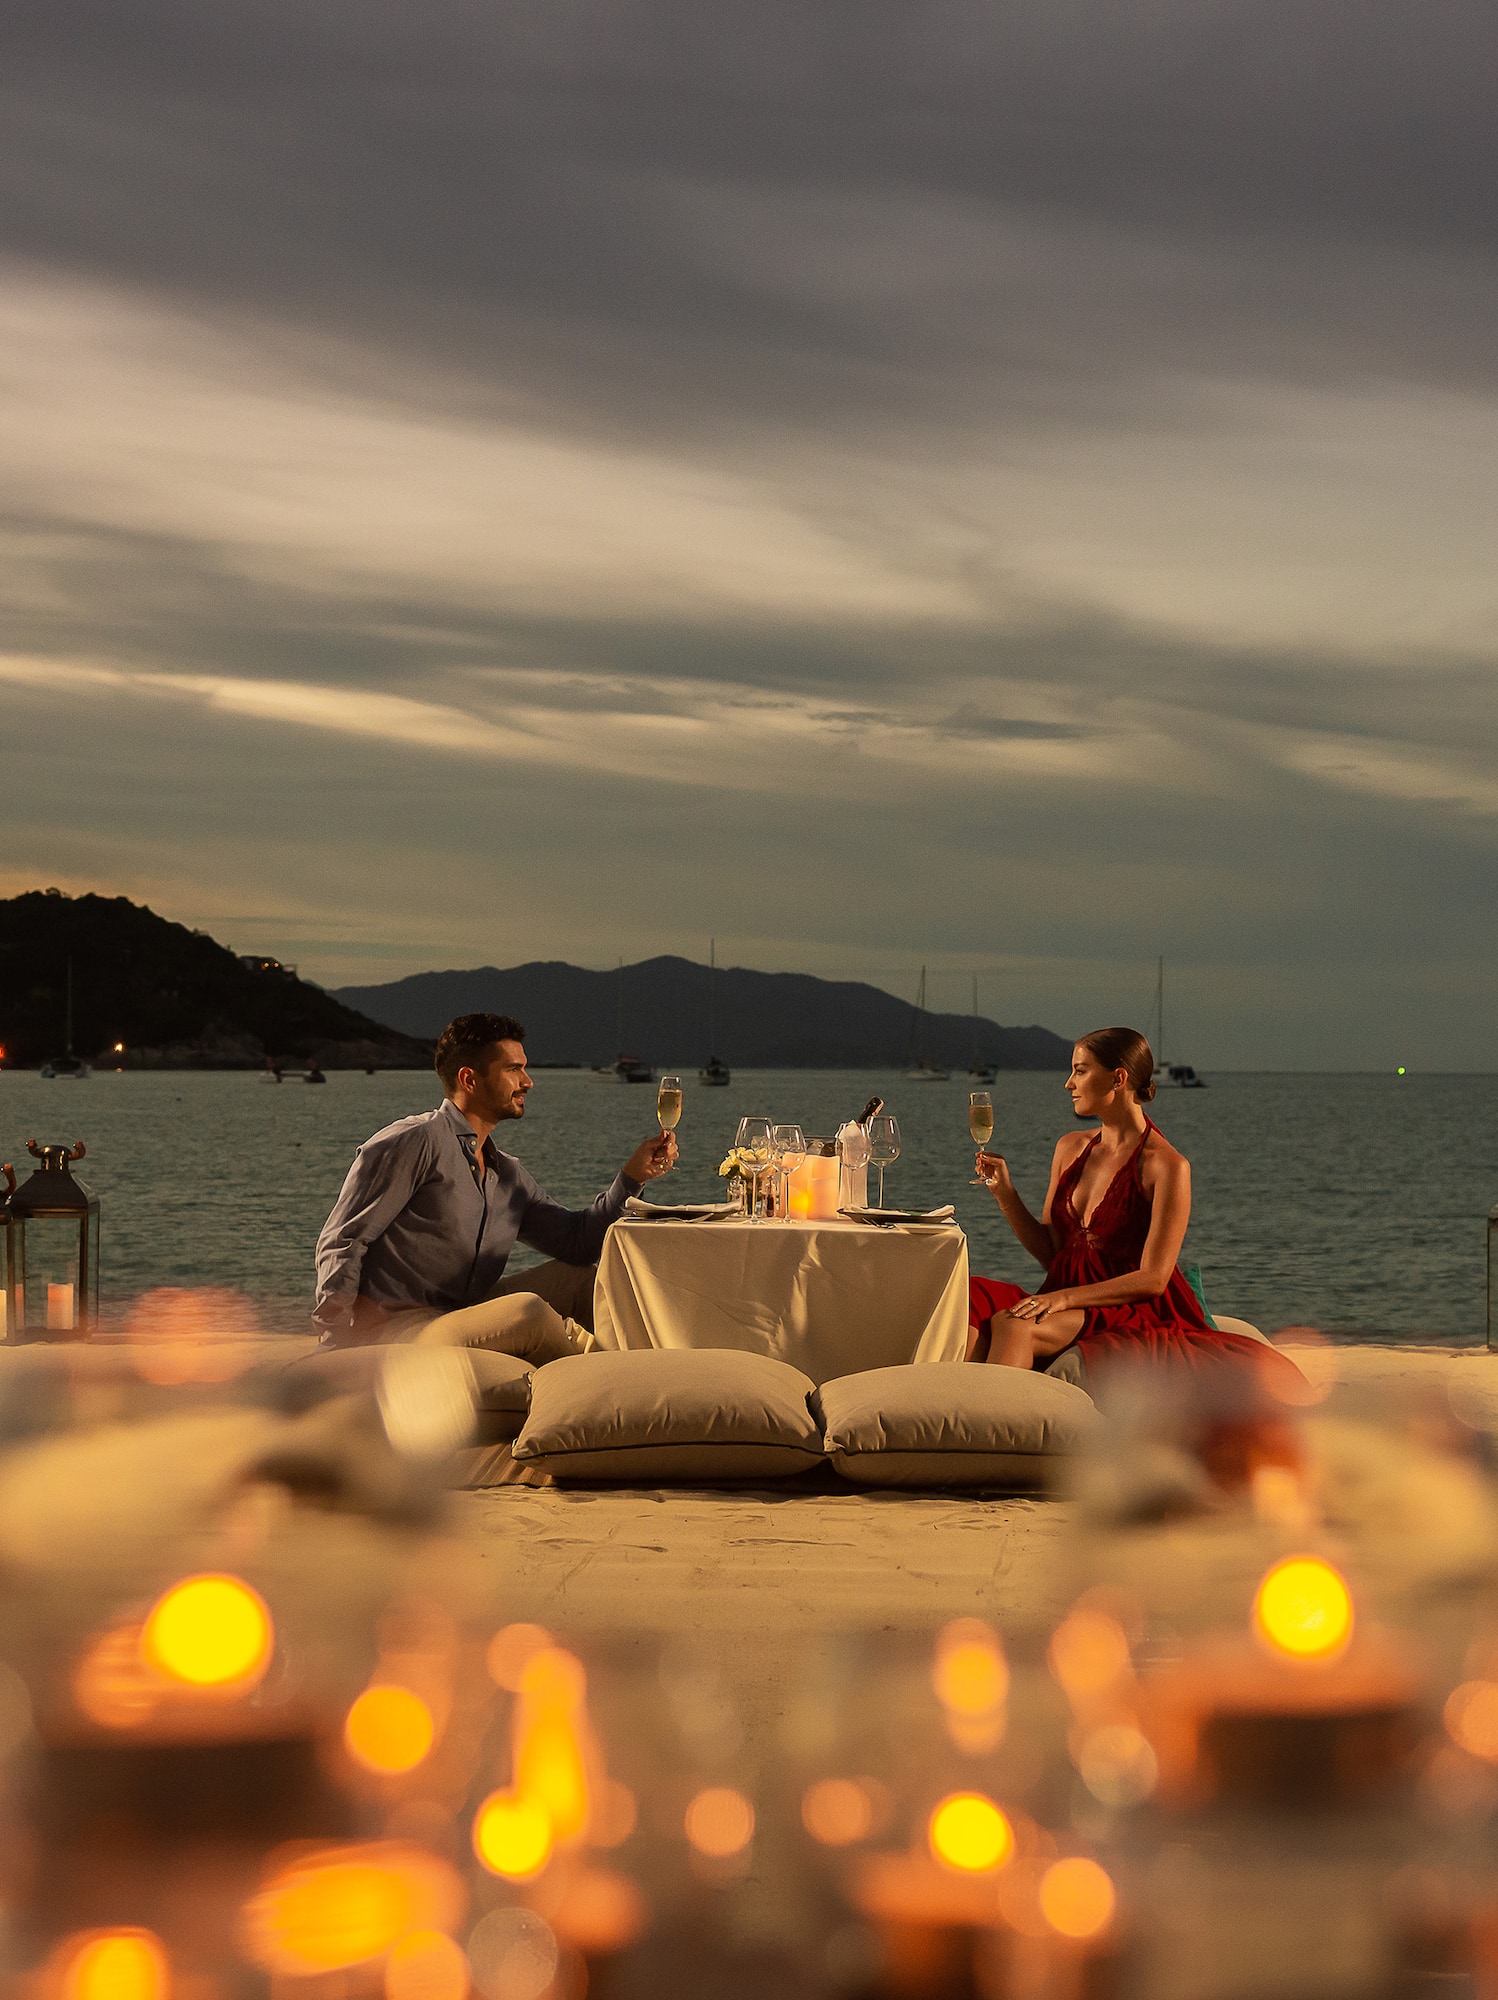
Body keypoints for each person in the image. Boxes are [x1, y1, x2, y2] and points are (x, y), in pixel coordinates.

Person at [967, 1027, 1305, 1404]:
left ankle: (992, 1426)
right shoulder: (1069, 1148)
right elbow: (1053, 1253)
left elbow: (1154, 1279)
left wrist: (1064, 1300)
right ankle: (943, 1415)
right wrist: (1006, 1195)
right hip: (1064, 1297)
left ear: (1119, 1077)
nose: (1068, 1084)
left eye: (1080, 1071)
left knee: (1014, 1324)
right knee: (969, 1296)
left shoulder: (1167, 1166)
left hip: (1129, 1308)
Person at [313, 1011, 676, 1359]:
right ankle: (604, 1380)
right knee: (527, 1313)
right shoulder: (415, 1142)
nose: (528, 1081)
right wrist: (336, 1343)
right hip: (399, 1328)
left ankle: (638, 1377)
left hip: (465, 1312)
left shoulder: (506, 1174)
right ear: (469, 1079)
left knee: (583, 1279)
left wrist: (632, 1178)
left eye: (525, 1068)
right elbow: (343, 1240)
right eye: (513, 1069)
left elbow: (578, 1243)